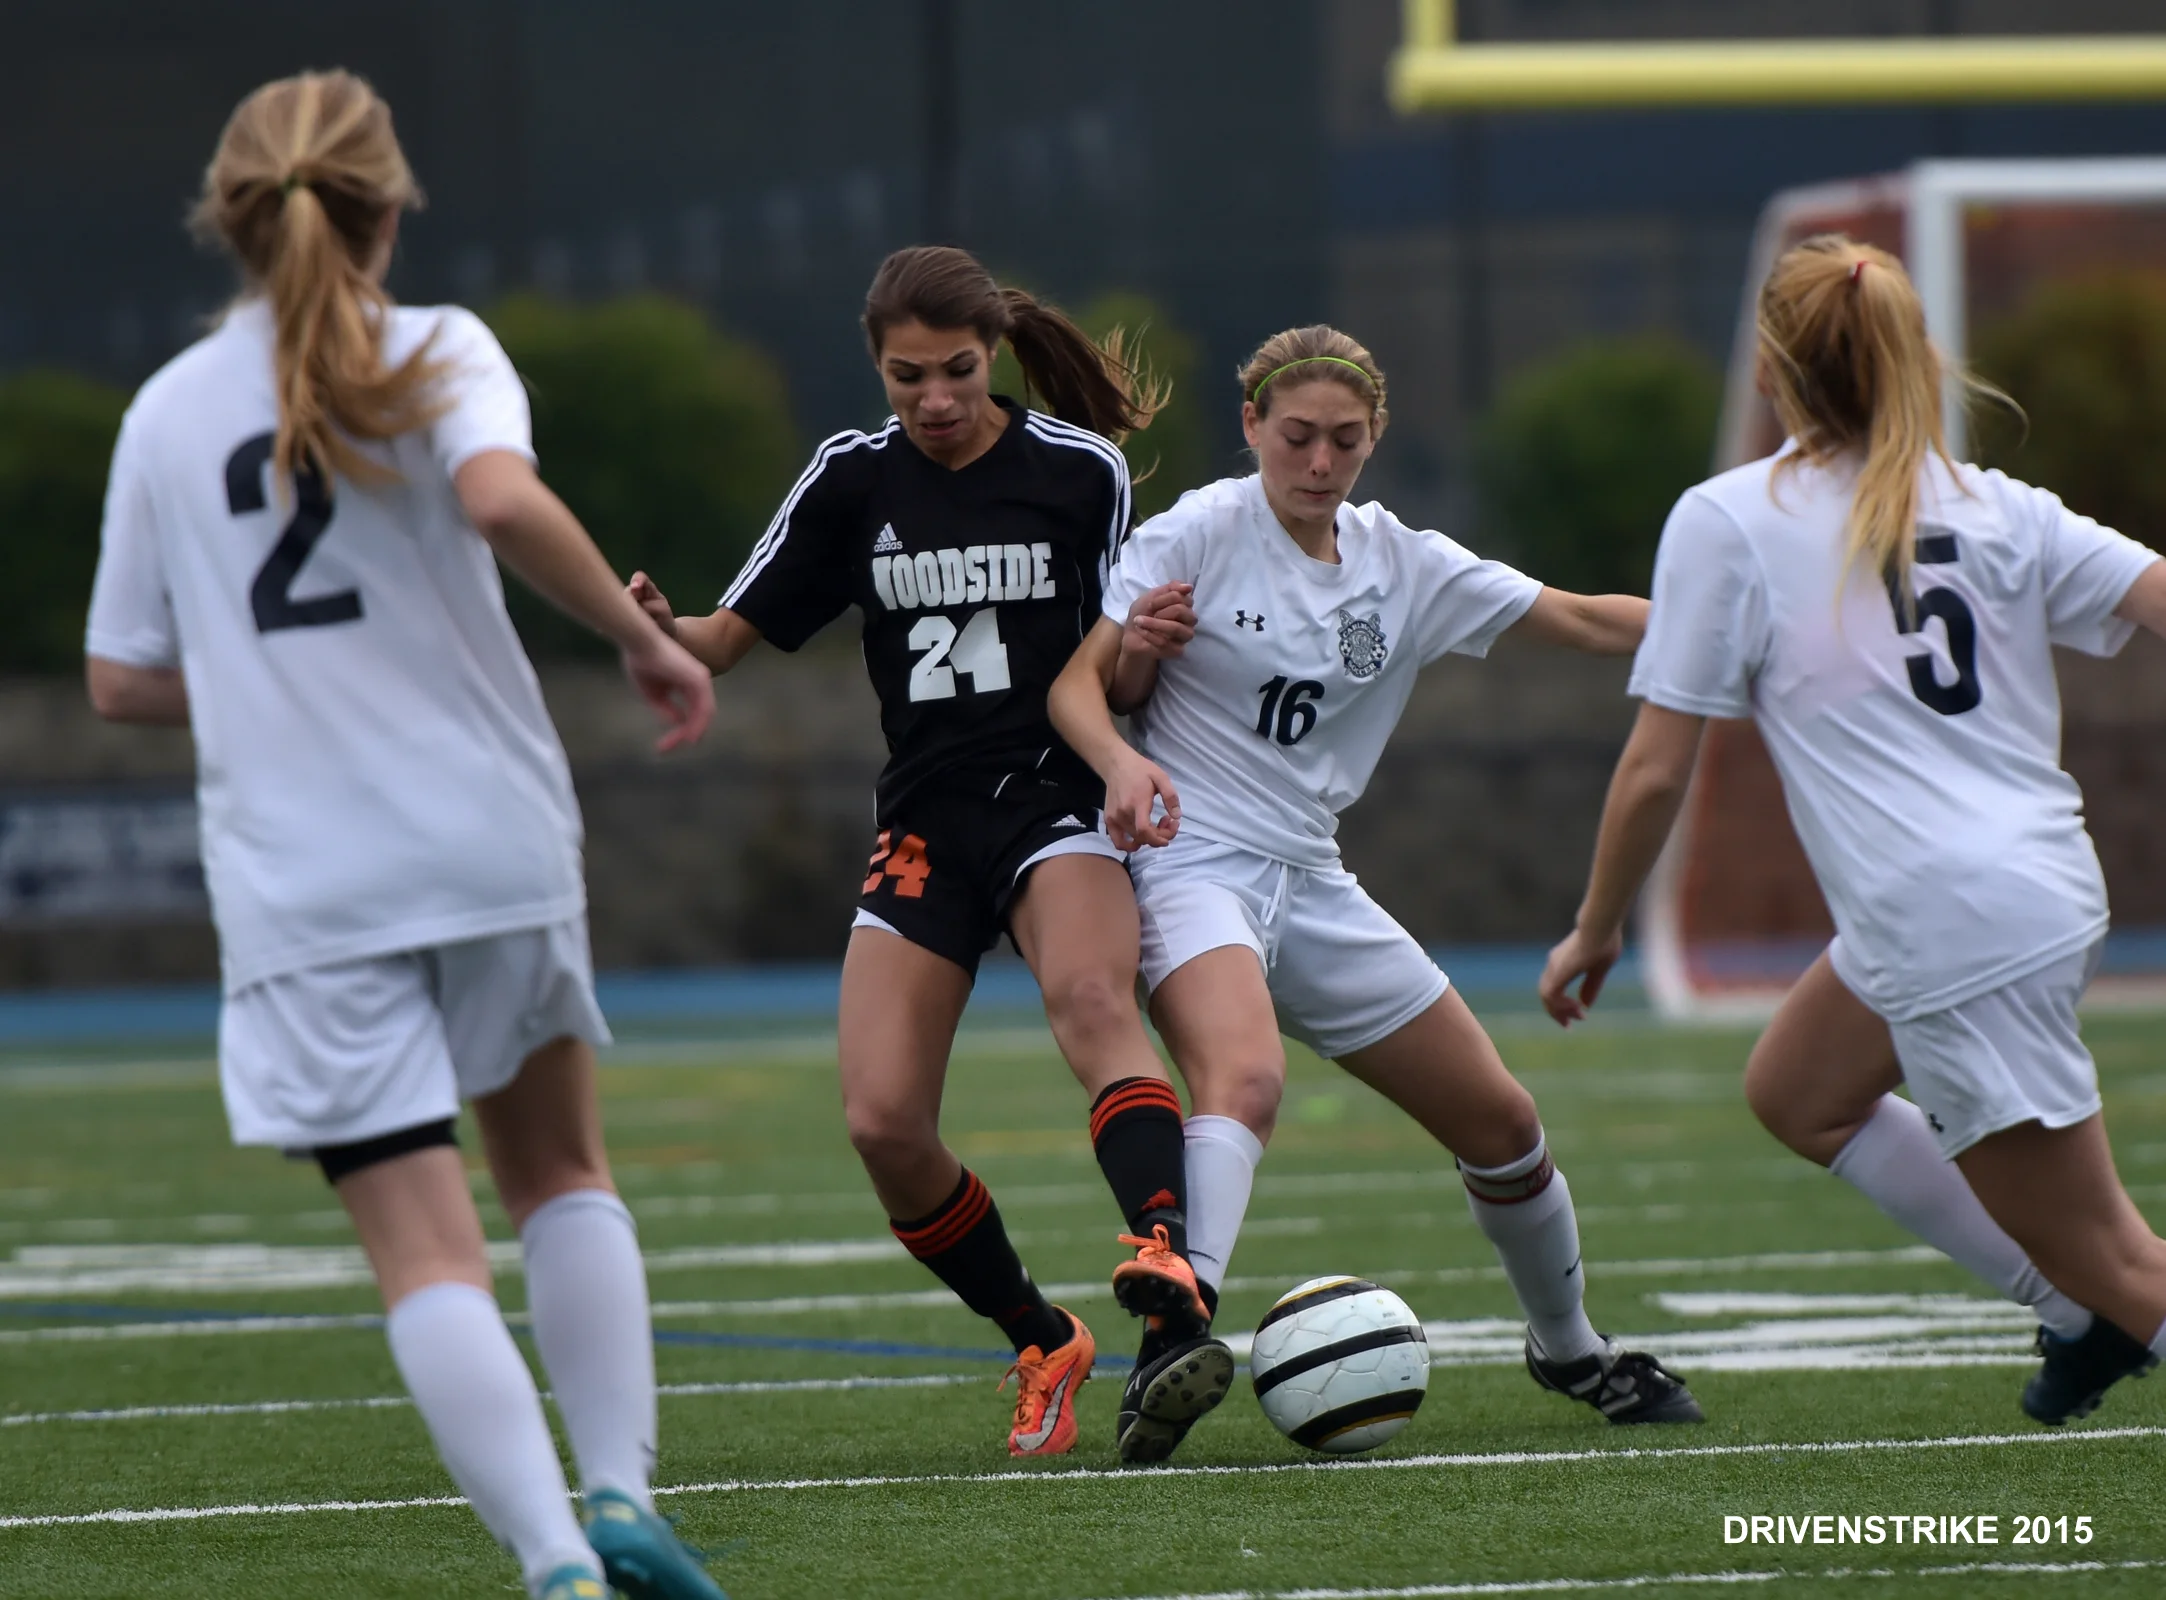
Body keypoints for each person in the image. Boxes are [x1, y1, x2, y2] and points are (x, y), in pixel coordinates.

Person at [83, 73, 726, 1600]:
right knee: (562, 1172)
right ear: (390, 205)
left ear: (230, 219)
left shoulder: (167, 412)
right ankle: (623, 1491)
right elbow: (500, 502)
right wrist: (642, 645)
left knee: (424, 1254)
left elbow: (115, 680)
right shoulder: (437, 347)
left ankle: (556, 1564)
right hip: (484, 840)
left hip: (306, 882)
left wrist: (259, 686)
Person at [1538, 235, 2166, 1426]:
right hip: (2030, 894)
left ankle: (2097, 1301)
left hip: (1953, 931)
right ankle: (2076, 1313)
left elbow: (1656, 771)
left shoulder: (1729, 518)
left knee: (2130, 1260)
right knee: (1798, 1088)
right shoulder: (1995, 503)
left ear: (1772, 373)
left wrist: (1598, 924)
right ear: (1914, 356)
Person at [1050, 323, 1705, 1460]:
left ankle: (1572, 1349)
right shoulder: (1199, 529)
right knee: (1245, 1076)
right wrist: (1122, 753)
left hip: (1312, 876)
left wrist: (1748, 632)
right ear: (1251, 424)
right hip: (1188, 860)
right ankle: (1173, 1335)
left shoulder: (1407, 563)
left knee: (1502, 1123)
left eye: (1344, 441)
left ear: (1375, 439)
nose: (1318, 461)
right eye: (1295, 435)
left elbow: (1588, 618)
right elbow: (1077, 687)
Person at [627, 245, 1230, 1460]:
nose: (935, 400)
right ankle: (1037, 1333)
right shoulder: (850, 479)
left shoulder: (1079, 473)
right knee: (882, 1121)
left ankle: (1164, 1247)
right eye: (908, 377)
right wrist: (658, 630)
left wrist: (1145, 649)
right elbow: (726, 639)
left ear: (995, 353)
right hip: (924, 816)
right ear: (875, 367)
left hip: (1055, 795)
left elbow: (1111, 662)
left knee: (1088, 993)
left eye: (956, 372)